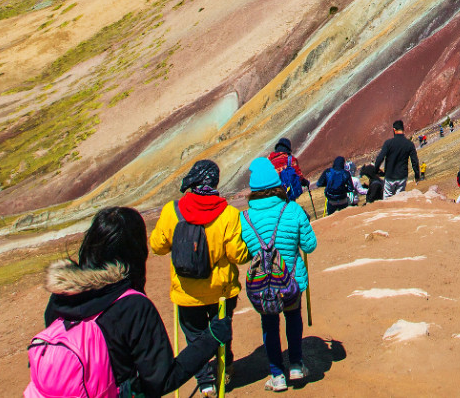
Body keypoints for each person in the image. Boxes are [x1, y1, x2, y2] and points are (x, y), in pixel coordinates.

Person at [40, 207, 227, 398]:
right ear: (137, 250)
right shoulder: (133, 307)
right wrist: (211, 338)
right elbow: (162, 380)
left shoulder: (59, 298)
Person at [148, 160, 250, 397]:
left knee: (194, 334)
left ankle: (205, 381)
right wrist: (249, 251)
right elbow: (237, 254)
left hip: (187, 291)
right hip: (221, 290)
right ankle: (227, 365)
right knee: (220, 328)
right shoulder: (228, 214)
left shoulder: (171, 211)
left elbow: (158, 246)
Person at [241, 157, 318, 391]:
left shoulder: (244, 218)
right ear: (276, 184)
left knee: (269, 325)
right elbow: (310, 245)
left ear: (253, 188)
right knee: (293, 319)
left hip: (264, 286)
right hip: (291, 282)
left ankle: (277, 375)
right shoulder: (292, 209)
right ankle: (295, 365)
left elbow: (244, 255)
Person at [373, 119, 422, 196]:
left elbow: (380, 158)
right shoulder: (409, 144)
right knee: (399, 197)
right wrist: (417, 175)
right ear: (403, 129)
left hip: (389, 177)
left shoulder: (388, 143)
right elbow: (414, 161)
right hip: (402, 177)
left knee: (388, 198)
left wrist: (376, 171)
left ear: (394, 130)